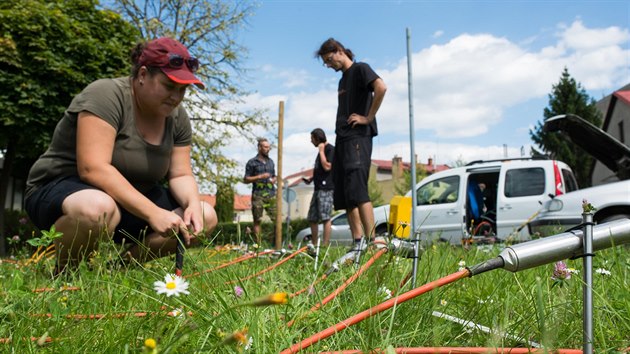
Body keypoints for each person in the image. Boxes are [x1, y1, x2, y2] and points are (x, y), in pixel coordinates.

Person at [25, 37, 218, 273]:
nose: (176, 97)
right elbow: (93, 168)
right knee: (97, 208)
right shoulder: (106, 95)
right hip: (65, 190)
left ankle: (119, 269)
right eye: (169, 86)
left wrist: (191, 205)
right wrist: (153, 213)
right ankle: (67, 274)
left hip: (131, 200)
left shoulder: (178, 117)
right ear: (143, 75)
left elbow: (180, 174)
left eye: (183, 90)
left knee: (206, 215)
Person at [315, 38, 387, 258]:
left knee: (357, 187)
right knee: (345, 193)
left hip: (358, 138)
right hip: (343, 140)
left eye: (329, 60)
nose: (329, 65)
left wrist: (368, 117)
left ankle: (374, 240)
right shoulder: (342, 80)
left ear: (338, 51)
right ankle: (358, 242)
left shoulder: (360, 69)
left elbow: (381, 87)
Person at [302, 128, 335, 254]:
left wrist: (321, 151)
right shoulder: (320, 152)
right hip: (317, 188)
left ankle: (325, 246)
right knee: (312, 217)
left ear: (317, 138)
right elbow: (320, 169)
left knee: (326, 217)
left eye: (312, 139)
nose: (311, 141)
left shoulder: (330, 149)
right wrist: (310, 179)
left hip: (326, 189)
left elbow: (327, 167)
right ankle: (315, 245)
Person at [243, 138, 277, 236]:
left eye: (269, 147)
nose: (268, 149)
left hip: (271, 194)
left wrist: (274, 179)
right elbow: (245, 179)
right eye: (266, 147)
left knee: (277, 219)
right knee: (257, 220)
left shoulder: (271, 162)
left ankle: (275, 244)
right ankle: (258, 245)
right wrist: (260, 176)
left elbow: (274, 175)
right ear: (259, 148)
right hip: (258, 194)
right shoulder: (252, 162)